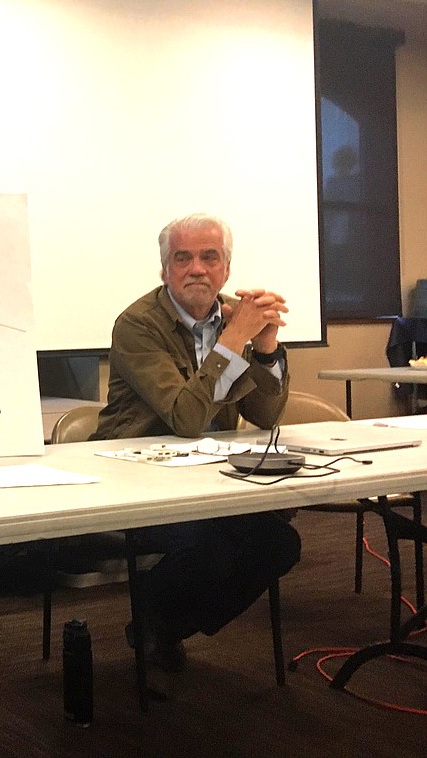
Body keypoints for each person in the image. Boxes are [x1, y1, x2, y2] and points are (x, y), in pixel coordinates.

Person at [91, 212, 302, 671]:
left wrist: (265, 346)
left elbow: (265, 415)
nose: (197, 269)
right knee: (211, 537)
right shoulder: (138, 324)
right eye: (182, 258)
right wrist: (235, 339)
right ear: (165, 270)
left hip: (207, 477)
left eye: (210, 258)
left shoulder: (233, 318)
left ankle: (161, 622)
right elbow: (186, 418)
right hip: (133, 476)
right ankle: (155, 617)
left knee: (278, 541)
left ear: (226, 268)